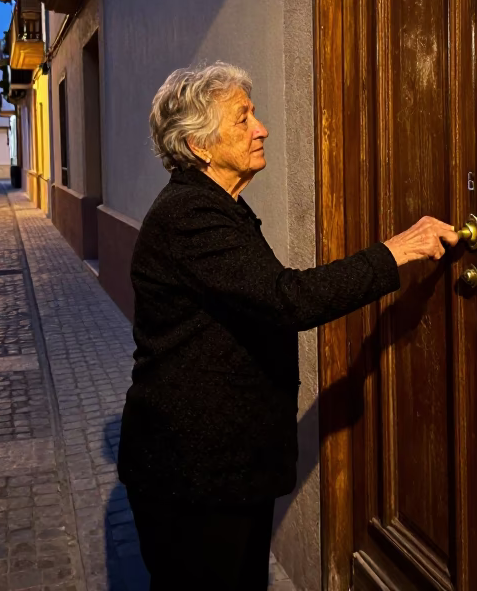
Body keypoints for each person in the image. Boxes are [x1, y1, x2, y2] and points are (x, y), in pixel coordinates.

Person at [118, 63, 459, 590]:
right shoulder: (190, 215)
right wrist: (396, 252)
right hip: (192, 474)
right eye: (242, 118)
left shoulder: (214, 205)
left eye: (252, 113)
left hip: (219, 465)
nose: (262, 127)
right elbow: (287, 299)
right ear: (199, 146)